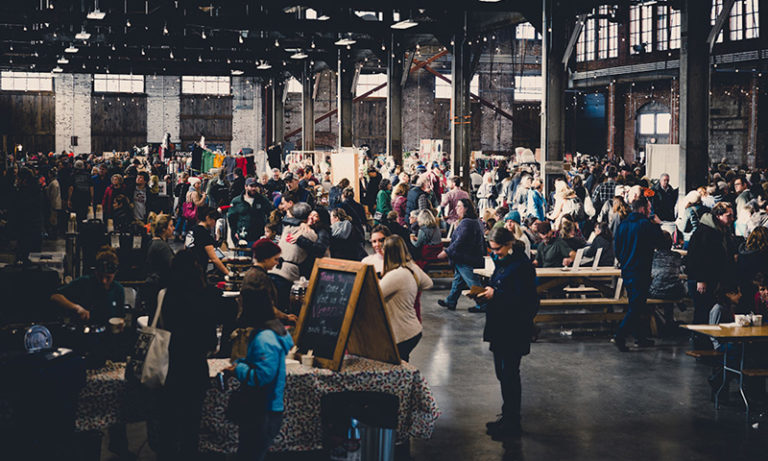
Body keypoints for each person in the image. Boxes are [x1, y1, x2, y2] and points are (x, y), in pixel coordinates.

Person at [478, 227, 538, 441]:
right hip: (499, 327)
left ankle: (513, 422)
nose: (495, 253)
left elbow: (528, 301)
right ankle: (507, 416)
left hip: (514, 329)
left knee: (510, 374)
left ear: (509, 244)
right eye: (492, 250)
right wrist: (486, 295)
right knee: (502, 374)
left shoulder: (522, 267)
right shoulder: (502, 264)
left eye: (497, 249)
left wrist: (498, 294)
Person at [158, 250, 218, 460]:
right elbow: (212, 342)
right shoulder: (207, 296)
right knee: (191, 430)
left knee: (168, 427)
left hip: (169, 369)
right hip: (195, 371)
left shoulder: (166, 295)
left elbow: (156, 329)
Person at [226, 282, 294, 461]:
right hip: (263, 408)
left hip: (263, 410)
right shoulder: (268, 333)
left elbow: (262, 376)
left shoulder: (266, 338)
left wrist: (238, 369)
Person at [612, 196, 665, 351]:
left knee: (637, 304)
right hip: (641, 269)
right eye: (648, 208)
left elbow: (617, 248)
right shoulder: (645, 225)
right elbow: (660, 243)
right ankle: (620, 336)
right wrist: (658, 225)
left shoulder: (623, 225)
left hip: (627, 269)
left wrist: (624, 261)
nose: (650, 211)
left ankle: (639, 336)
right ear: (642, 209)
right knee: (636, 305)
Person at [685, 202, 737, 349]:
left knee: (709, 310)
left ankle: (706, 343)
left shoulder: (722, 231)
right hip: (703, 279)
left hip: (714, 278)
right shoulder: (705, 232)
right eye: (729, 215)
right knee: (702, 311)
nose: (732, 218)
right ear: (719, 215)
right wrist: (701, 279)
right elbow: (697, 257)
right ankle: (699, 344)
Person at [379, 236, 433, 361]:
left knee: (396, 368)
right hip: (413, 329)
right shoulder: (411, 267)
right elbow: (428, 283)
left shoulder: (396, 275)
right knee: (402, 366)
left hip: (401, 333)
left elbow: (375, 294)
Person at [437, 199, 487, 313]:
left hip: (466, 258)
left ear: (466, 208)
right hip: (469, 257)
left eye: (459, 206)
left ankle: (483, 304)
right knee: (458, 280)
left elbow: (460, 242)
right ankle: (451, 301)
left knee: (473, 282)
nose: (456, 208)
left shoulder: (467, 223)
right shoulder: (474, 221)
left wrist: (446, 252)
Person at [270, 203, 317, 310]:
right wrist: (301, 223)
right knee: (282, 306)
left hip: (276, 270)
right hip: (287, 273)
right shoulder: (310, 232)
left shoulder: (287, 227)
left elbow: (286, 220)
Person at [241, 239, 297, 323]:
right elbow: (267, 308)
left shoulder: (254, 274)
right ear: (266, 259)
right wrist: (286, 317)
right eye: (275, 259)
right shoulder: (258, 277)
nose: (277, 263)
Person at [185, 205, 231, 277]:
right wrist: (228, 273)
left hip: (188, 266)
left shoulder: (192, 229)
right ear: (208, 217)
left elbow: (185, 247)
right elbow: (214, 258)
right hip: (198, 269)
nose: (215, 223)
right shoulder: (204, 233)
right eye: (214, 220)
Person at [228, 177, 273, 245]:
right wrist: (235, 234)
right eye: (251, 186)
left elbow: (271, 214)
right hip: (243, 239)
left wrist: (268, 230)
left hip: (259, 237)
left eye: (255, 186)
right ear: (245, 186)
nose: (254, 188)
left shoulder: (262, 200)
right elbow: (231, 219)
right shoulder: (237, 201)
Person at [12, 167, 43, 263]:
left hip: (27, 228)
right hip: (34, 227)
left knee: (26, 256)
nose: (17, 180)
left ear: (24, 180)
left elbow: (20, 209)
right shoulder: (36, 189)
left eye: (18, 178)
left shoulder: (25, 192)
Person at [292, 208, 331, 278]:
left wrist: (300, 239)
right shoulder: (306, 227)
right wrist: (301, 223)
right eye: (310, 215)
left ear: (321, 219)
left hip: (313, 268)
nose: (311, 217)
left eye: (315, 216)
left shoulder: (323, 231)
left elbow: (320, 249)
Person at [648, 231, 686, 300]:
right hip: (676, 292)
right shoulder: (677, 255)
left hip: (655, 292)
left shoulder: (652, 256)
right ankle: (671, 310)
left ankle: (652, 310)